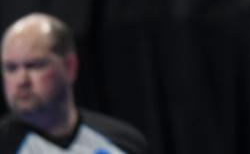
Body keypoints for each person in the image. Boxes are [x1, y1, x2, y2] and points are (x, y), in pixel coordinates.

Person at [0, 13, 147, 153]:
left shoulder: (123, 142)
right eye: (11, 68)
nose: (22, 80)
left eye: (35, 65)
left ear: (70, 66)